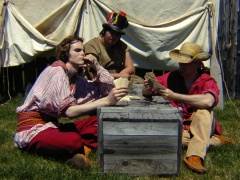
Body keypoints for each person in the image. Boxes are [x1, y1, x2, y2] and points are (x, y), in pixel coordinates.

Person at [14, 35, 128, 170]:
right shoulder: (56, 71)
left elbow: (104, 91)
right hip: (34, 127)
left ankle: (76, 153)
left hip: (53, 125)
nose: (83, 53)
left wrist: (97, 67)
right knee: (73, 140)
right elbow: (69, 112)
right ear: (66, 54)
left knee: (101, 122)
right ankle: (31, 147)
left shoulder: (74, 79)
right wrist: (106, 101)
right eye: (77, 50)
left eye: (83, 50)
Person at [142, 42, 236, 173]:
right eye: (180, 63)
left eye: (186, 63)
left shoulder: (206, 80)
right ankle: (213, 140)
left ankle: (194, 156)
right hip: (183, 127)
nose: (182, 66)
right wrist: (148, 89)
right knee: (175, 139)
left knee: (203, 110)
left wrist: (175, 96)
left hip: (201, 123)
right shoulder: (173, 77)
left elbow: (209, 101)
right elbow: (155, 84)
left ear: (197, 64)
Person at [84, 11, 135, 80]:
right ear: (105, 31)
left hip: (118, 79)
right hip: (99, 83)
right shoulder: (92, 46)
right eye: (111, 32)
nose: (113, 36)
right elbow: (94, 75)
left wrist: (119, 77)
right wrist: (119, 76)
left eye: (117, 34)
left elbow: (130, 68)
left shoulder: (121, 46)